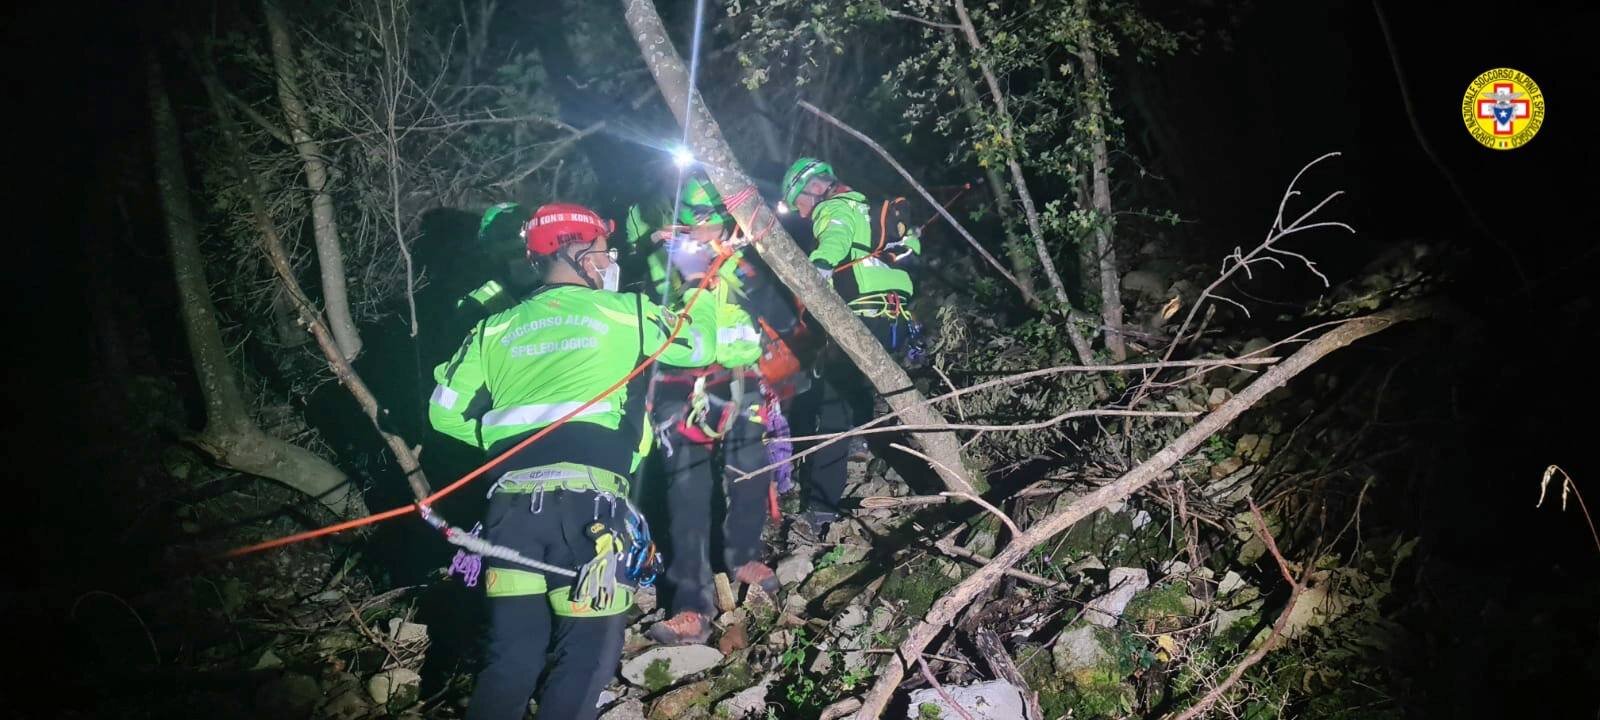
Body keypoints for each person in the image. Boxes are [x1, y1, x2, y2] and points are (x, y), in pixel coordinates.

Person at [428, 202, 728, 720]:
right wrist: (701, 276)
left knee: (510, 659)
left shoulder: (494, 328)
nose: (610, 259)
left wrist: (508, 441)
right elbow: (701, 341)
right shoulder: (623, 311)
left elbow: (442, 414)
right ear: (581, 252)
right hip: (588, 514)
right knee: (585, 655)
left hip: (509, 515)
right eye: (604, 249)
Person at [640, 178, 784, 645]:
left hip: (737, 378)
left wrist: (728, 258)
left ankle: (742, 556)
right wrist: (678, 260)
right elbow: (650, 315)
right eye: (693, 219)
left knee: (751, 471)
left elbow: (776, 309)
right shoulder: (658, 255)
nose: (700, 228)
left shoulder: (747, 256)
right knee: (686, 491)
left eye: (709, 218)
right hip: (678, 384)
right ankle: (691, 605)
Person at [779, 158, 922, 533]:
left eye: (800, 202)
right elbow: (913, 252)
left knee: (831, 413)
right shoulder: (873, 211)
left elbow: (835, 237)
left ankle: (821, 510)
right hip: (897, 319)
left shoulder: (834, 208)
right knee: (877, 392)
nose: (801, 211)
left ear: (813, 188)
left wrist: (819, 266)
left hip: (862, 317)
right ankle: (865, 441)